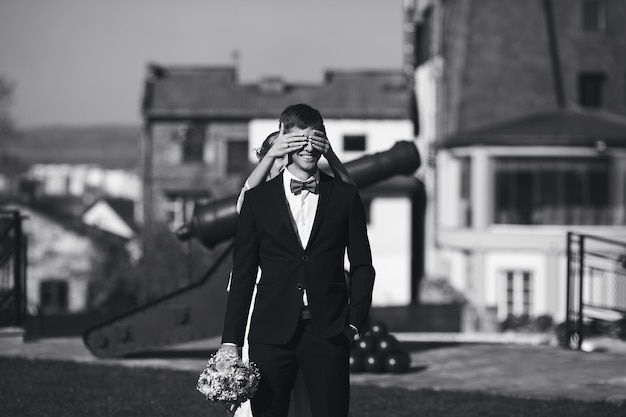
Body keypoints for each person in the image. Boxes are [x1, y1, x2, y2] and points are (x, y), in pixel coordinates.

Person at [222, 103, 375, 417]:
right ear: (283, 141)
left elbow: (362, 265)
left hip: (330, 334)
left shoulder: (345, 197)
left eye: (314, 139)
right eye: (299, 140)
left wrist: (354, 325)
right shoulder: (257, 200)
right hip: (269, 336)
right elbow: (243, 274)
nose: (308, 147)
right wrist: (230, 342)